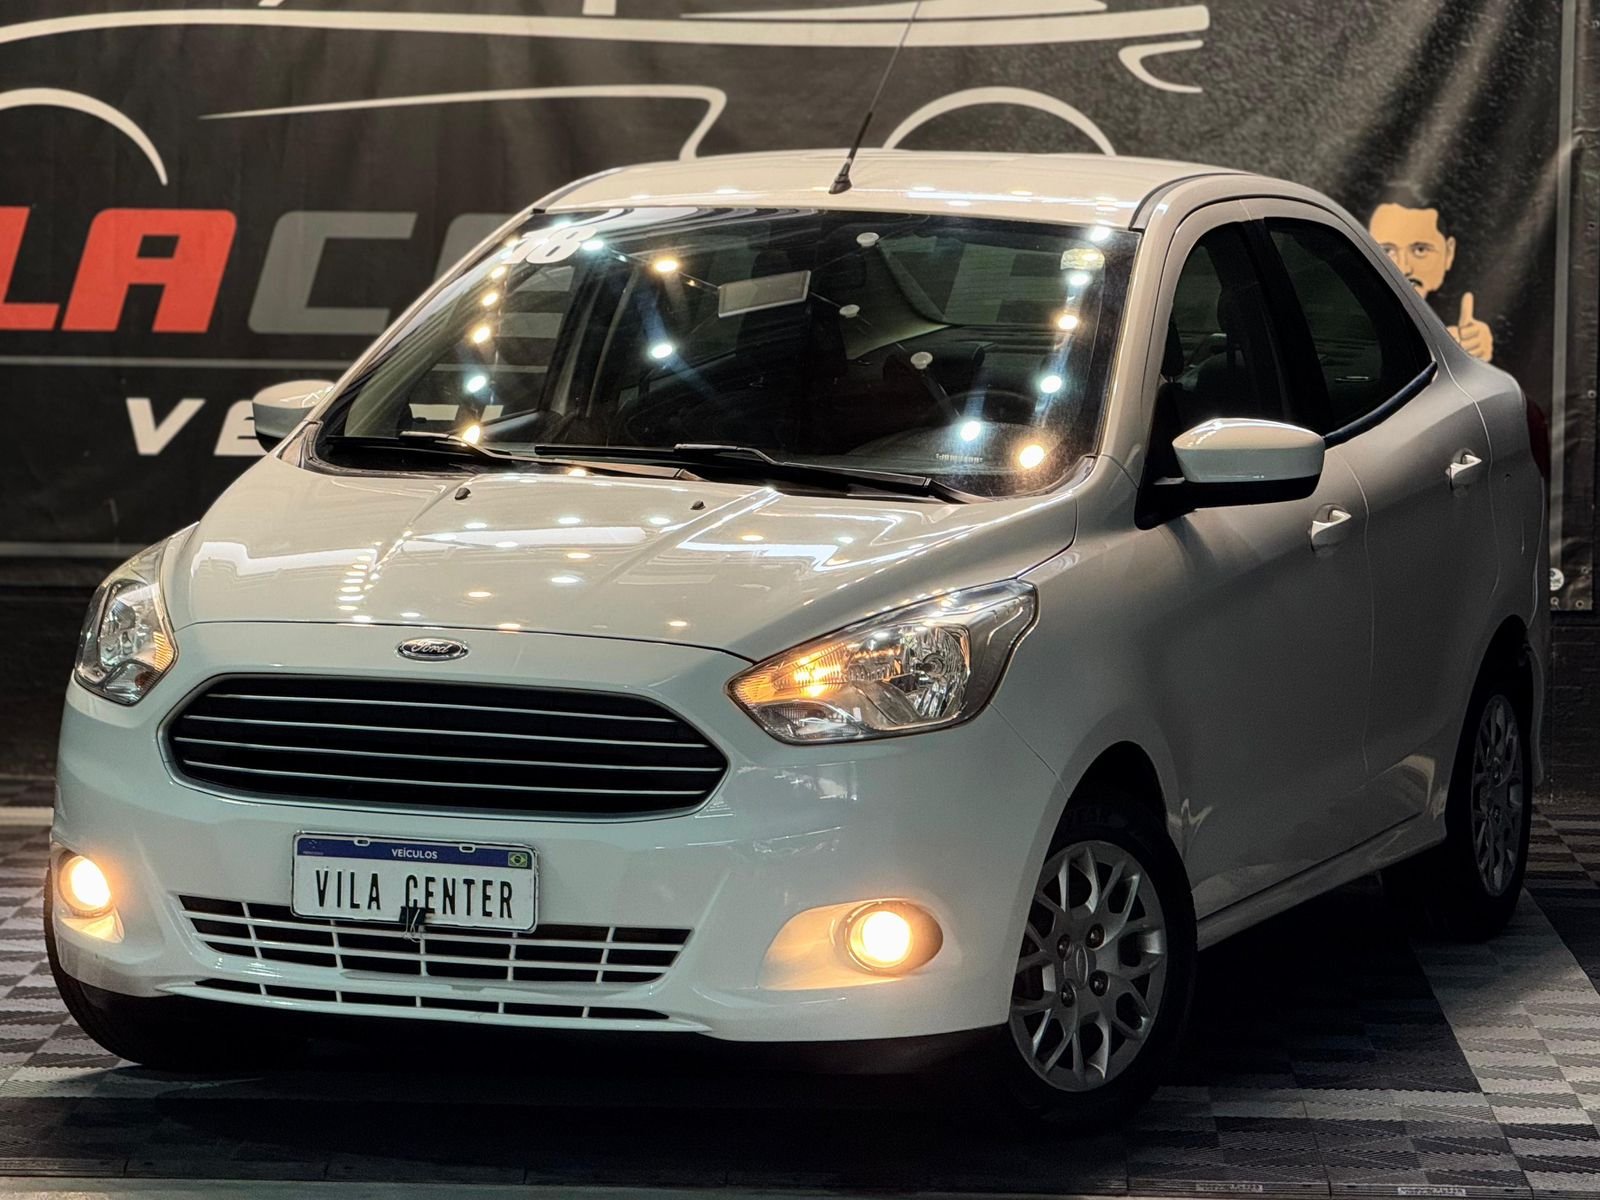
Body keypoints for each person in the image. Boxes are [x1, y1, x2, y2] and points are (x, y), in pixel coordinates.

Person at [1368, 186, 1493, 361]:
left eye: (1420, 250)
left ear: (1449, 252)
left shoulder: (1464, 326)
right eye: (1387, 250)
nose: (1403, 268)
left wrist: (1477, 355)